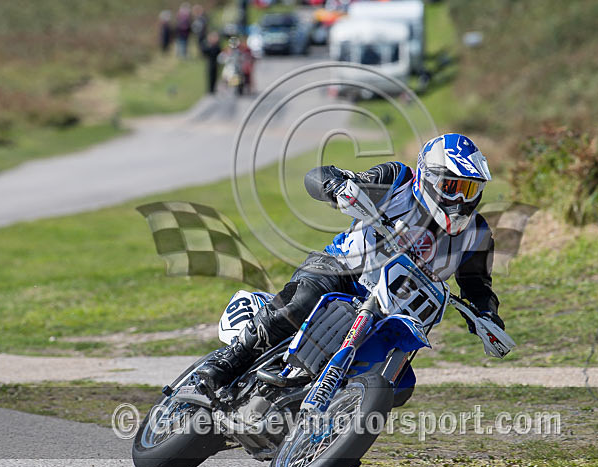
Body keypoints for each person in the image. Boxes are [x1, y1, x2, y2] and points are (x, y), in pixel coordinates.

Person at [198, 133, 506, 389]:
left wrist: (488, 316)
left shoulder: (476, 233)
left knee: (399, 387)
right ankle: (229, 360)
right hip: (344, 269)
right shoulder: (396, 181)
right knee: (297, 303)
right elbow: (324, 177)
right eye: (453, 187)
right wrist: (335, 186)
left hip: (394, 307)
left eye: (471, 190)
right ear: (429, 177)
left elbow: (477, 285)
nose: (462, 200)